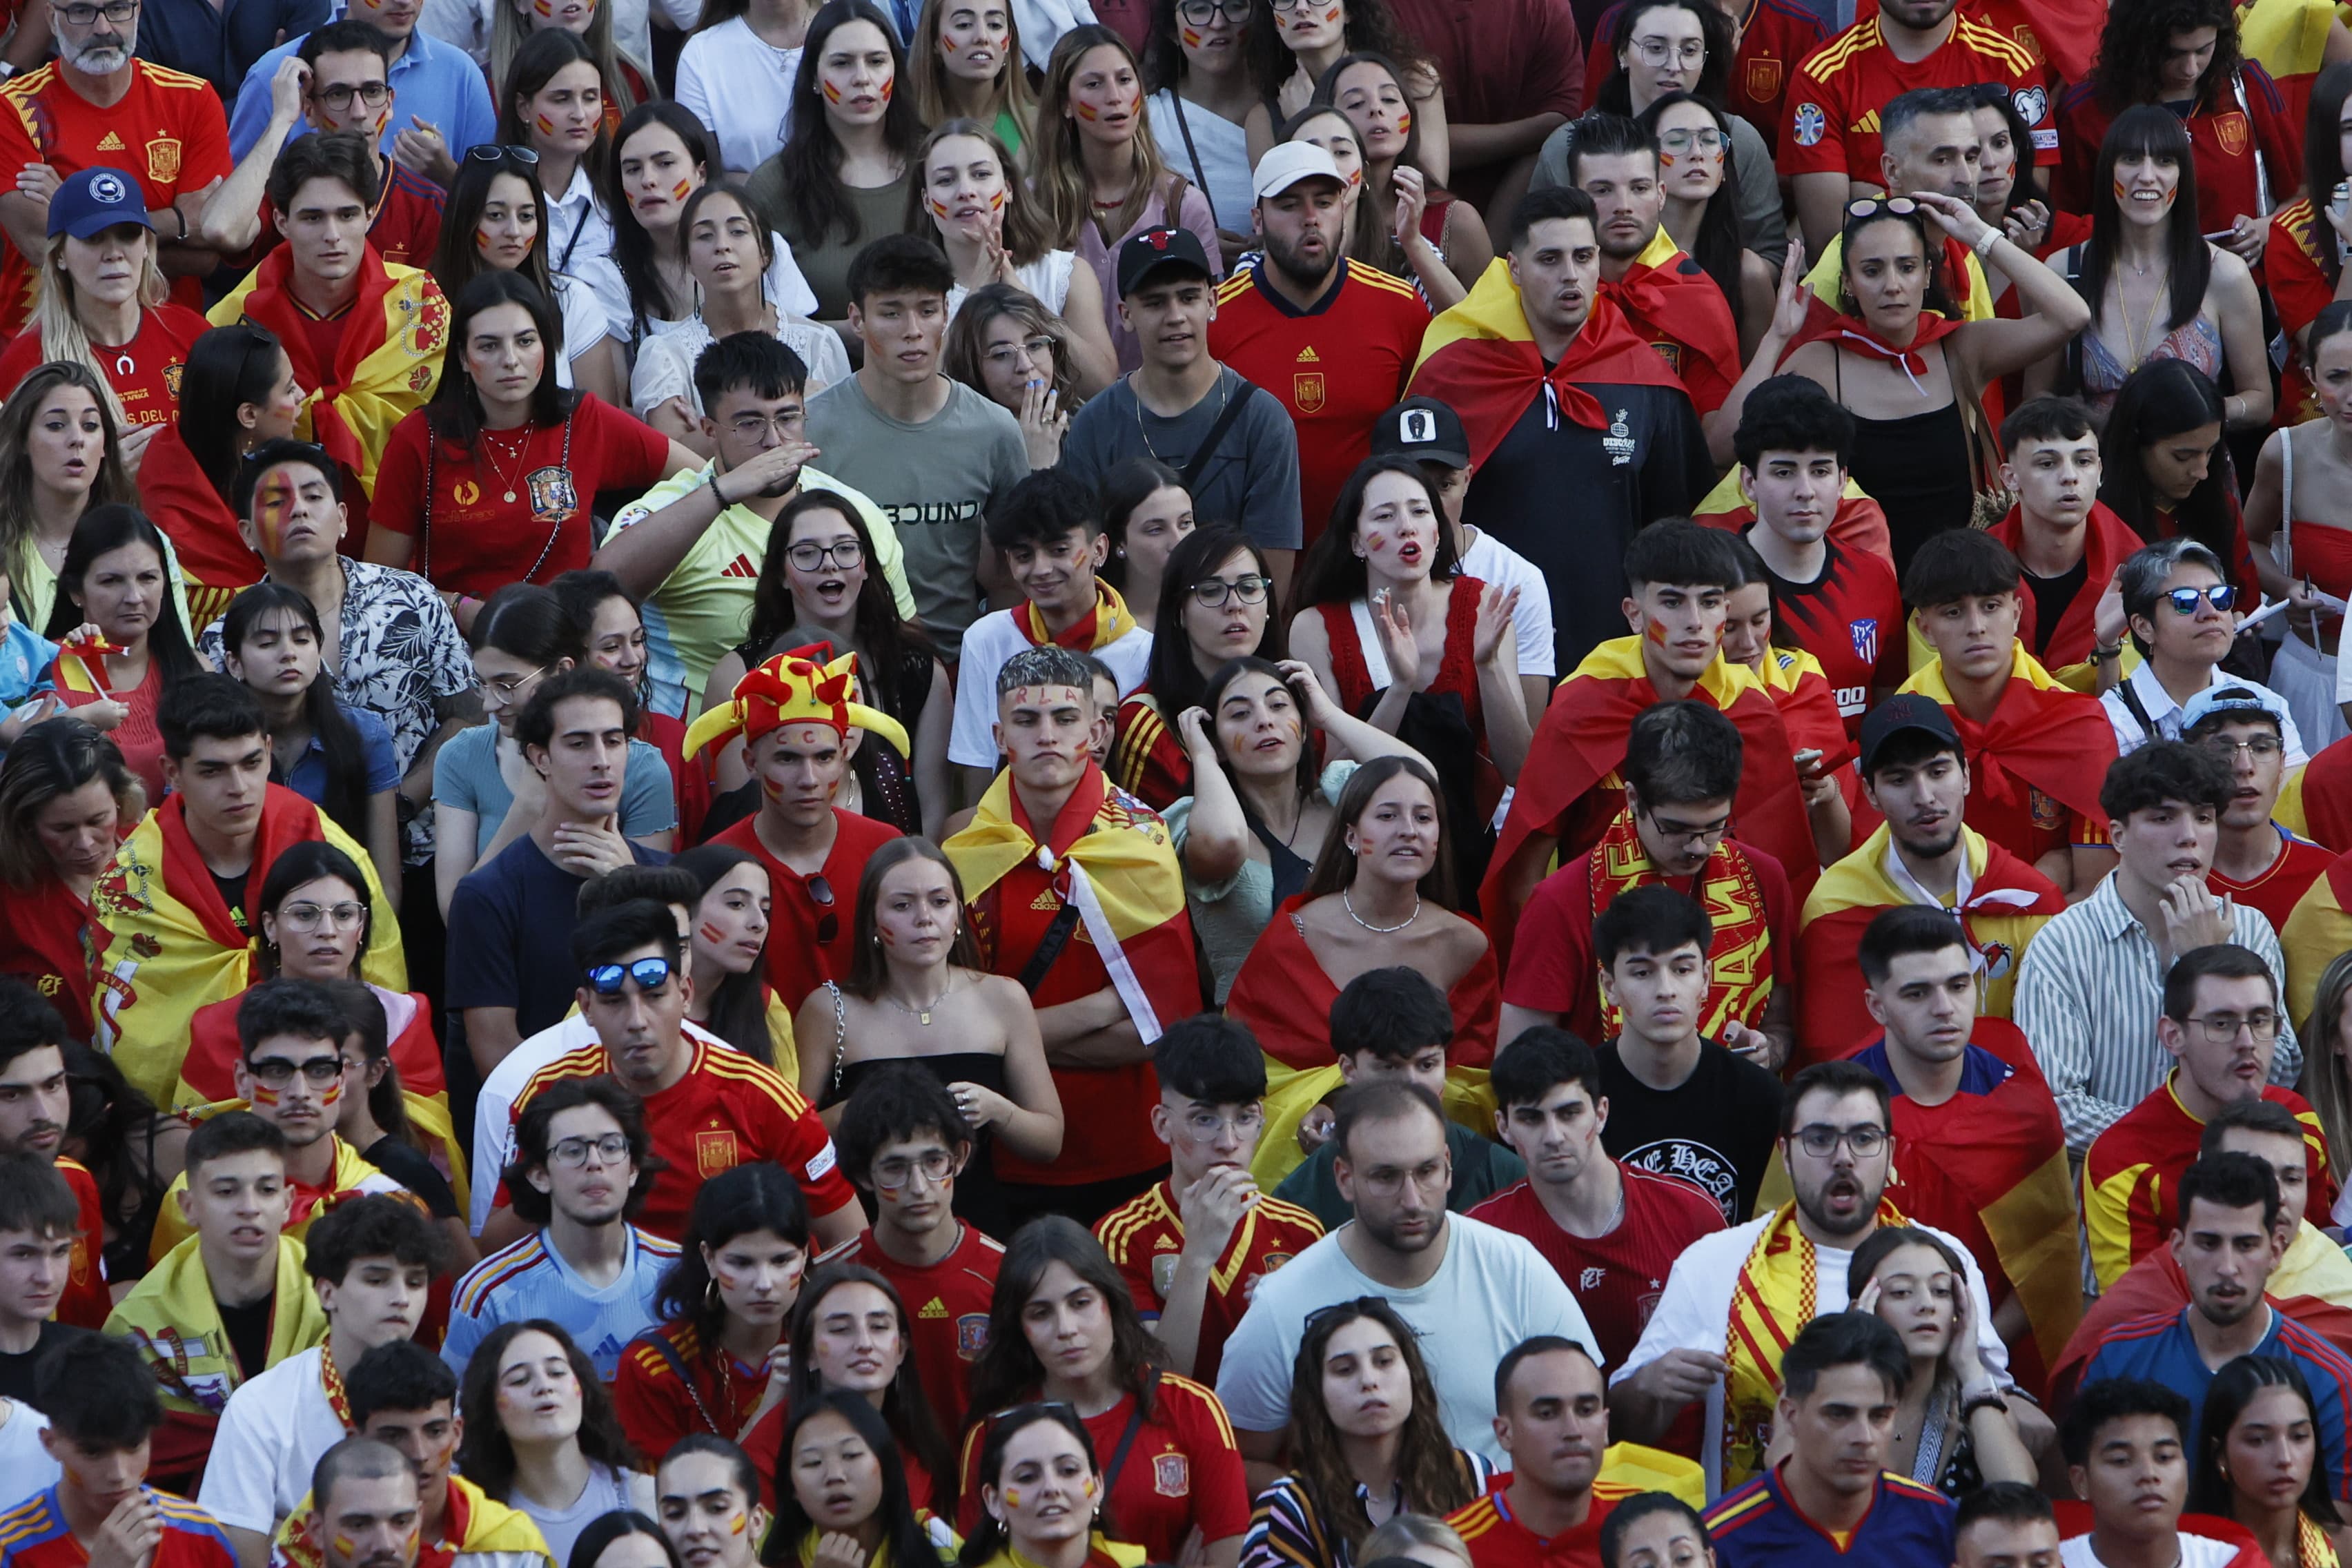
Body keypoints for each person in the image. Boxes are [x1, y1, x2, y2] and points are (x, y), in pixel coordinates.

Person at [1610, 1060, 2017, 1493]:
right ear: (1784, 1154)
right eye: (1820, 1139)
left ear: (1891, 1153)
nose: (1843, 1159)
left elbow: (1997, 1411)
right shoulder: (1714, 1264)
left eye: (1863, 1138)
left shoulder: (1944, 1261)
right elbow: (1621, 1428)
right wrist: (1651, 1388)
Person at [941, 646, 1202, 1228]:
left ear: (1097, 728)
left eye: (1064, 719)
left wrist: (1003, 1040)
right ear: (998, 734)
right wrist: (1101, 1007)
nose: (1047, 737)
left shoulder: (1142, 841)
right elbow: (944, 1016)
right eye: (1026, 721)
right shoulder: (963, 848)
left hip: (1125, 1149)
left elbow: (1155, 1031)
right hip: (993, 1149)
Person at [1405, 187, 1712, 675]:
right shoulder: (1453, 379)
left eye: (1583, 257)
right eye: (1550, 258)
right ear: (1514, 270)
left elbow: (1674, 529)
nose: (1570, 275)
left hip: (1611, 653)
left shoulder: (1647, 382)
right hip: (1481, 647)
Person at [1215, 1079, 1597, 1469]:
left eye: (1427, 1171)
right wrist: (1338, 1511)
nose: (1412, 1200)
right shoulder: (1283, 1302)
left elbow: (1587, 1413)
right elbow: (1237, 1463)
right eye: (1386, 1177)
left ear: (1448, 1166)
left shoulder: (1514, 1267)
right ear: (1344, 1178)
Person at [89, 673, 402, 1108]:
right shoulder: (131, 884)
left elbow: (381, 981)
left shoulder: (325, 843)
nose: (238, 788)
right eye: (213, 770)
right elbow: (133, 1037)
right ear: (172, 773)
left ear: (270, 752)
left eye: (252, 763)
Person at [192, 438, 480, 890]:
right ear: (247, 533)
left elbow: (467, 715)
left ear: (344, 519)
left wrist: (399, 802)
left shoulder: (412, 599)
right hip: (291, 877)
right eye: (277, 500)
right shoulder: (222, 642)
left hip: (430, 855)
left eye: (313, 496)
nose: (299, 511)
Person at [498, 901, 864, 1246]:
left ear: (686, 994)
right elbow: (497, 1248)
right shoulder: (547, 1095)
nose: (637, 1021)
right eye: (614, 1001)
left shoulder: (763, 1099)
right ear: (586, 1007)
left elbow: (847, 1239)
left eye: (654, 995)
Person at [1769, 194, 2093, 576]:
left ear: (1926, 275)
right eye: (1872, 271)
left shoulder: (1961, 347)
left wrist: (1979, 235)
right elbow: (1734, 445)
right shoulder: (1820, 362)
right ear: (1848, 283)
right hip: (1863, 587)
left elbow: (2071, 316)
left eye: (1906, 267)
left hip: (1959, 590)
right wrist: (1776, 337)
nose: (1892, 285)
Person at [1835, 906, 2081, 1393]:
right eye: (1917, 993)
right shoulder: (1834, 1110)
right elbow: (1806, 1254)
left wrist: (1967, 1348)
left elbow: (2047, 1263)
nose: (1945, 1008)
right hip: (1865, 1362)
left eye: (1958, 985)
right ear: (1876, 1006)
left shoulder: (2021, 1104)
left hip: (1997, 1362)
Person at [2017, 742, 2302, 1154]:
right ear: (2118, 835)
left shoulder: (2250, 930)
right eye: (2163, 818)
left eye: (2203, 818)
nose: (2188, 838)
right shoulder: (2062, 945)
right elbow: (2056, 1108)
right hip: (2113, 1199)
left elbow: (2280, 1075)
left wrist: (2207, 963)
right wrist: (2184, 1137)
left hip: (2233, 1197)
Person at [366, 273, 693, 600]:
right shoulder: (419, 438)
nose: (510, 360)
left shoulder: (584, 419)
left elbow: (701, 476)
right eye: (489, 346)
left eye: (525, 342)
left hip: (567, 637)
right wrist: (459, 609)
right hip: (454, 640)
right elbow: (381, 584)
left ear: (546, 348)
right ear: (463, 358)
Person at [1498, 700, 1796, 1059]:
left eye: (1716, 825)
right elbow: (1518, 1061)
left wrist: (1769, 1052)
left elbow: (1781, 1023)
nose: (1698, 847)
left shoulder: (1763, 878)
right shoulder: (1560, 901)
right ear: (1633, 799)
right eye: (1676, 828)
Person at [798, 838, 1061, 1238]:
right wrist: (863, 1109)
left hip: (979, 1227)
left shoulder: (1003, 997)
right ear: (871, 919)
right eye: (902, 905)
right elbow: (794, 1138)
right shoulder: (828, 1008)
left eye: (939, 901)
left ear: (959, 911)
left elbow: (1049, 1140)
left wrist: (996, 1109)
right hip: (866, 1230)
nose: (924, 918)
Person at [955, 1216, 1249, 1565]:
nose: (1066, 1329)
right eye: (1040, 1313)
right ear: (1018, 1327)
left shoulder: (1193, 1409)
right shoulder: (993, 1434)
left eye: (1081, 1303)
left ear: (1111, 1300)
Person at [1284, 458, 1529, 870]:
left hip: (1464, 851)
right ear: (1357, 542)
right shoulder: (1316, 627)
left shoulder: (1483, 604)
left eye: (1420, 511)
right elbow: (1331, 777)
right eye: (1385, 515)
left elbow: (1520, 769)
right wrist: (1399, 688)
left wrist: (1486, 666)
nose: (1406, 527)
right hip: (1360, 857)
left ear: (1439, 531)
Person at [1795, 695, 2069, 1061]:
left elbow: (2049, 1055)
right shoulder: (1836, 906)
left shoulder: (2029, 902)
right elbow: (1837, 1064)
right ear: (1871, 795)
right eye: (1898, 779)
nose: (1924, 797)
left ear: (1967, 777)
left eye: (1938, 772)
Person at [206, 133, 451, 529]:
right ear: (282, 221)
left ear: (371, 215)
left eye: (348, 215)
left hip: (405, 531)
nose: (332, 235)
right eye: (313, 217)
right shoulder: (234, 319)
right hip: (269, 536)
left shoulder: (422, 307)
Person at [802, 236, 1027, 665]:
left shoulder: (994, 431)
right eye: (891, 313)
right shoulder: (812, 429)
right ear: (857, 319)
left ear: (947, 313)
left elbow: (1010, 576)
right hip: (837, 671)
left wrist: (988, 669)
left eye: (927, 310)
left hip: (959, 664)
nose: (913, 331)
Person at [2077, 1153, 2352, 1487]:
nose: (2226, 1266)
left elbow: (2340, 1528)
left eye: (2246, 1245)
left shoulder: (2329, 1379)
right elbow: (2083, 1493)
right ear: (2178, 1248)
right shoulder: (2117, 1358)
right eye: (2208, 1243)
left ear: (2276, 1252)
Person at [443, 667, 673, 1065]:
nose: (602, 761)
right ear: (541, 758)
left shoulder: (667, 882)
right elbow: (497, 1056)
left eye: (614, 741)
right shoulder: (487, 895)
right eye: (579, 744)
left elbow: (691, 1020)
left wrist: (631, 891)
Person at [197, 1194, 442, 1564]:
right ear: (327, 1292)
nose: (401, 1299)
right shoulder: (261, 1406)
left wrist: (288, 1535)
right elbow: (237, 1557)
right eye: (377, 1280)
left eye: (415, 1282)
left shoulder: (444, 1400)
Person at [1166, 655, 1424, 1003]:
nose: (1264, 721)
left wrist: (1329, 716)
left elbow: (1422, 785)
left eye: (1278, 705)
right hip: (1261, 1041)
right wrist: (1204, 758)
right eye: (1240, 714)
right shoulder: (1195, 820)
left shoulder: (1340, 799)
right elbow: (1224, 841)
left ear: (1302, 729)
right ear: (1217, 744)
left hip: (1369, 1028)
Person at [1222, 754, 1502, 1073]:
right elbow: (1250, 1071)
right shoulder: (1296, 936)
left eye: (1424, 818)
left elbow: (1475, 1084)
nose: (1409, 831)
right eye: (1387, 816)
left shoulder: (1466, 944)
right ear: (1350, 836)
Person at [1208, 144, 1431, 545]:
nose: (1310, 219)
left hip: (1371, 557)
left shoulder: (1399, 306)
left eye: (1324, 202)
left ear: (1343, 209)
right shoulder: (1216, 316)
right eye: (1289, 205)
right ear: (1258, 220)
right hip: (1255, 561)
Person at [1060, 226, 1304, 588]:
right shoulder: (1095, 424)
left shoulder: (1262, 420)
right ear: (1126, 314)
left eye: (1188, 297)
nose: (1175, 316)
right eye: (1155, 303)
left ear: (1212, 302)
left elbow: (1270, 575)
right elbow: (1082, 562)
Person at [1469, 1028, 1724, 1372]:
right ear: (1503, 1126)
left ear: (1601, 1113)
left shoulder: (1692, 1214)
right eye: (1531, 1118)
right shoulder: (1479, 1238)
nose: (1553, 1136)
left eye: (1569, 1113)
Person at [2083, 945, 2332, 1291]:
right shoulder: (2121, 1162)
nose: (2247, 1042)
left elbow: (2321, 1255)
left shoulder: (2300, 1121)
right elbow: (2139, 1316)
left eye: (2260, 1020)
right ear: (2173, 1036)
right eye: (2222, 1023)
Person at [1092, 1014, 1324, 1382]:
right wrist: (1197, 1257)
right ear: (1162, 1124)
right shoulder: (1121, 1236)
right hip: (1175, 1439)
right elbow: (1159, 1381)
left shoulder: (1302, 1230)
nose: (1229, 1142)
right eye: (1205, 1120)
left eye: (1245, 1117)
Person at [1898, 528, 2122, 897]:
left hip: (2057, 943)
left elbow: (2096, 893)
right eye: (1953, 612)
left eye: (1991, 606)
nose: (1976, 627)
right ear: (1926, 629)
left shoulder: (2078, 722)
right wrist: (2044, 875)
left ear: (2016, 613)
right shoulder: (1902, 728)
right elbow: (1893, 877)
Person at [429, 585, 675, 923]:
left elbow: (655, 925)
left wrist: (626, 876)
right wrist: (528, 807)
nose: (489, 703)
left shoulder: (641, 769)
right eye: (482, 683)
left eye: (507, 685)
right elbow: (457, 917)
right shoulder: (461, 757)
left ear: (562, 671)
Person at [102, 1113, 320, 1488]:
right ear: (188, 1206)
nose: (249, 1207)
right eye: (226, 1191)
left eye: (266, 1190)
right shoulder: (137, 1326)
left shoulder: (332, 1300)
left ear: (288, 1203)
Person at [691, 645, 909, 1012]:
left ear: (844, 755)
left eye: (824, 758)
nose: (808, 779)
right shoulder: (713, 871)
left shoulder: (886, 850)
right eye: (787, 758)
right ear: (751, 763)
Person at [0, 0, 235, 333]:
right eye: (81, 11)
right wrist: (179, 221)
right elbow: (42, 248)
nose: (103, 28)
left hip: (168, 341)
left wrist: (70, 210)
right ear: (51, 18)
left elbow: (205, 256)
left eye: (117, 8)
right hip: (49, 342)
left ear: (138, 12)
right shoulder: (12, 108)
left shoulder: (192, 99)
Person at [2031, 108, 2271, 433]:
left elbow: (2260, 400)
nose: (2146, 176)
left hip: (2197, 476)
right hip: (2096, 476)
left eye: (2164, 161)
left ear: (2182, 175)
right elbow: (2035, 397)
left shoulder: (2224, 273)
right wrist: (2085, 422)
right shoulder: (2062, 271)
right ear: (2108, 171)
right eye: (2131, 159)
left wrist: (2198, 414)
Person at [148, 979, 418, 1265]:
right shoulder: (193, 1200)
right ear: (242, 1080)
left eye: (319, 1070)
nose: (300, 1093)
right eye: (278, 1071)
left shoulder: (387, 1200)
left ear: (340, 1081)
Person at [175, 841, 443, 1114]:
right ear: (270, 927)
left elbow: (427, 1138)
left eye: (344, 914)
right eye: (305, 915)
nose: (327, 930)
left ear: (361, 927)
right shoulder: (218, 1029)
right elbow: (202, 1143)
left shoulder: (403, 1018)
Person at [443, 1078, 676, 1384]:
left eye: (610, 1147)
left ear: (633, 1169)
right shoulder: (489, 1293)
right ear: (540, 1175)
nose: (595, 1163)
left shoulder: (680, 1275)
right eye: (572, 1150)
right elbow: (458, 1415)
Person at [1778, 0, 2054, 257]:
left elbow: (2021, 213)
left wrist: (1869, 195)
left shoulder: (2012, 63)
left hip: (1992, 280)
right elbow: (1832, 241)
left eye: (1970, 156)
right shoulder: (1821, 76)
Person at [1578, 885, 1784, 1225]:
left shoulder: (1760, 1099)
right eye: (1642, 973)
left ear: (1706, 979)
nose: (1665, 990)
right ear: (1610, 986)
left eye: (1682, 969)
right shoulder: (1577, 1099)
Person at [1266, 964, 1525, 1224]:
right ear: (1349, 1070)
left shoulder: (1507, 1178)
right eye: (1389, 1067)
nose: (1412, 1084)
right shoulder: (1302, 1197)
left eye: (1427, 1065)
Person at [1242, 1295, 1488, 1568]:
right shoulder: (1288, 1507)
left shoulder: (1472, 1475)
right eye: (1345, 1370)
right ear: (1317, 1394)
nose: (1369, 1381)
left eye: (1384, 1361)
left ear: (1413, 1374)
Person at [825, 1063, 1005, 1433]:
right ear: (863, 1176)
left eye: (934, 1162)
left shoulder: (1007, 1275)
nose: (919, 1187)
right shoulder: (827, 1280)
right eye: (895, 1167)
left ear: (960, 1158)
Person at [948, 469, 1153, 792]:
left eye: (1059, 550)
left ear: (1099, 550)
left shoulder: (1146, 652)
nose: (1041, 569)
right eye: (1024, 555)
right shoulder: (985, 639)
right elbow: (975, 764)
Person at [1700, 1313, 1958, 1567]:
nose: (1863, 1437)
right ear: (1791, 1416)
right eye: (1838, 1414)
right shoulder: (1715, 1543)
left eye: (1879, 1416)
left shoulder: (1943, 1526)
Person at [272, 1342, 558, 1568]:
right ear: (355, 1441)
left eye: (434, 1431)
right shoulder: (302, 1540)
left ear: (457, 1433)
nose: (419, 1454)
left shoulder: (513, 1549)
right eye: (394, 1436)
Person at [200, 28, 449, 280]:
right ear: (308, 109)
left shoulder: (427, 205)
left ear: (390, 102)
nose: (359, 112)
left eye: (372, 91)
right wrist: (281, 120)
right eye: (338, 94)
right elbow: (220, 229)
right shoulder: (286, 190)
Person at [2055, 0, 2296, 258]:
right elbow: (2064, 224)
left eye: (2204, 50)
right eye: (2174, 54)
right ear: (2137, 44)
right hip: (2129, 289)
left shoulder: (2248, 88)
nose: (2191, 69)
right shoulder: (2085, 112)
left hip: (2242, 283)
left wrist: (2264, 230)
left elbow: (2303, 194)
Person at [611, 1160, 807, 1464]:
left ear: (805, 1256)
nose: (765, 1284)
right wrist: (770, 1408)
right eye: (741, 1263)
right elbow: (667, 1501)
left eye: (781, 1261)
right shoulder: (653, 1368)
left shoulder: (829, 1346)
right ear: (709, 1258)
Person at [0, 168, 208, 450]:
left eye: (128, 235)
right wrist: (102, 476)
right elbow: (15, 482)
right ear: (60, 255)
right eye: (94, 238)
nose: (114, 253)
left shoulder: (193, 334)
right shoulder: (27, 361)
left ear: (147, 246)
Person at [745, 0, 922, 328]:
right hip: (820, 374)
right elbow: (753, 317)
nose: (862, 78)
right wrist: (842, 336)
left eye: (876, 61)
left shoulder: (936, 165)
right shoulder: (774, 186)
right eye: (842, 63)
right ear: (813, 77)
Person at [627, 186, 851, 440]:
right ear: (688, 260)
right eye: (704, 236)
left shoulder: (819, 344)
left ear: (765, 251)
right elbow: (674, 463)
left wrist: (710, 435)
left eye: (738, 231)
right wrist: (802, 411)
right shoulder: (666, 356)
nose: (722, 246)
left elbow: (844, 443)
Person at [219, 585, 401, 890]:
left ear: (318, 654)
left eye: (302, 640)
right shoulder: (210, 744)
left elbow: (386, 882)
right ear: (234, 663)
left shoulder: (365, 734)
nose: (289, 653)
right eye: (267, 643)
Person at [0, 1334, 235, 1568]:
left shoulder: (203, 1535)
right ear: (50, 1443)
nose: (118, 1474)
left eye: (133, 1446)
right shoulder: (10, 1549)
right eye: (94, 1453)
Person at [913, 121, 1116, 387]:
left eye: (981, 174)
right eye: (946, 180)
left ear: (1008, 189)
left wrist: (1024, 296)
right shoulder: (911, 292)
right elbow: (919, 392)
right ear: (927, 201)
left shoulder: (1066, 274)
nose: (965, 191)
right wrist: (976, 290)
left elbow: (1101, 384)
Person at [1842, 1226, 2039, 1492]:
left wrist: (1970, 1367)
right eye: (1901, 1292)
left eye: (1941, 1291)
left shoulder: (1978, 1399)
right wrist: (1858, 1366)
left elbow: (2017, 1488)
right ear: (1863, 1309)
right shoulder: (1819, 1388)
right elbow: (1787, 1472)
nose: (1927, 1304)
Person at [426, 145, 623, 403]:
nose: (514, 231)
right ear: (465, 218)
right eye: (496, 215)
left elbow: (599, 422)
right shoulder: (425, 304)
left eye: (527, 215)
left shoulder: (572, 300)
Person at [1108, 523, 1276, 812]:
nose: (1235, 605)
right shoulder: (1144, 723)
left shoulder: (1291, 698)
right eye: (1211, 591)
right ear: (1179, 612)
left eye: (1249, 588)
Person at [43, 503, 204, 805]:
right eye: (111, 581)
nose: (134, 597)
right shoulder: (42, 675)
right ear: (76, 591)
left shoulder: (198, 672)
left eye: (148, 578)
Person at [454, 1322, 651, 1565]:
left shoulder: (646, 1496)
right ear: (492, 1412)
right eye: (520, 1380)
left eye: (557, 1372)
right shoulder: (477, 1522)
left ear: (583, 1389)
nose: (544, 1387)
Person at [2249, 304, 2352, 758]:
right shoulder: (2285, 455)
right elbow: (2249, 542)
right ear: (2311, 377)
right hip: (2307, 676)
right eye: (2338, 377)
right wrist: (2285, 586)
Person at [224, 0, 493, 173]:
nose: (404, 2)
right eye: (338, 94)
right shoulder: (274, 74)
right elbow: (233, 206)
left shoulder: (461, 73)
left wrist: (449, 176)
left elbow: (495, 207)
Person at [0, 721, 141, 1043]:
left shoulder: (162, 853)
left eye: (98, 820)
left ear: (121, 800)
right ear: (26, 823)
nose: (86, 844)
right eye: (62, 829)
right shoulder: (10, 896)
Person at [1318, 52, 1493, 306]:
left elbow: (1489, 328)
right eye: (1356, 103)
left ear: (1411, 114)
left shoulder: (1457, 221)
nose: (1376, 109)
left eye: (1389, 99)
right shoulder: (1312, 219)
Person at [775, 1264, 952, 1507]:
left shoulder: (922, 1447)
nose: (864, 1344)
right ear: (809, 1353)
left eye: (879, 1327)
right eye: (840, 1330)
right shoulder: (771, 1448)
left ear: (901, 1348)